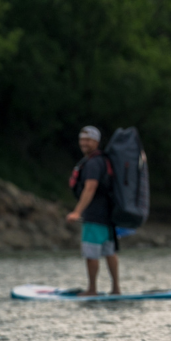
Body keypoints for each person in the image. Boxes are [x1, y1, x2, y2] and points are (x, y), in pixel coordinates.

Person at [66, 125, 120, 296]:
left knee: (92, 253)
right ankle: (116, 289)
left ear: (96, 141)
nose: (84, 143)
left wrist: (77, 212)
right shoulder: (104, 160)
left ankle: (92, 289)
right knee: (109, 252)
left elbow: (90, 188)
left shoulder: (93, 163)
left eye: (88, 140)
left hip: (94, 216)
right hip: (108, 216)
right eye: (82, 139)